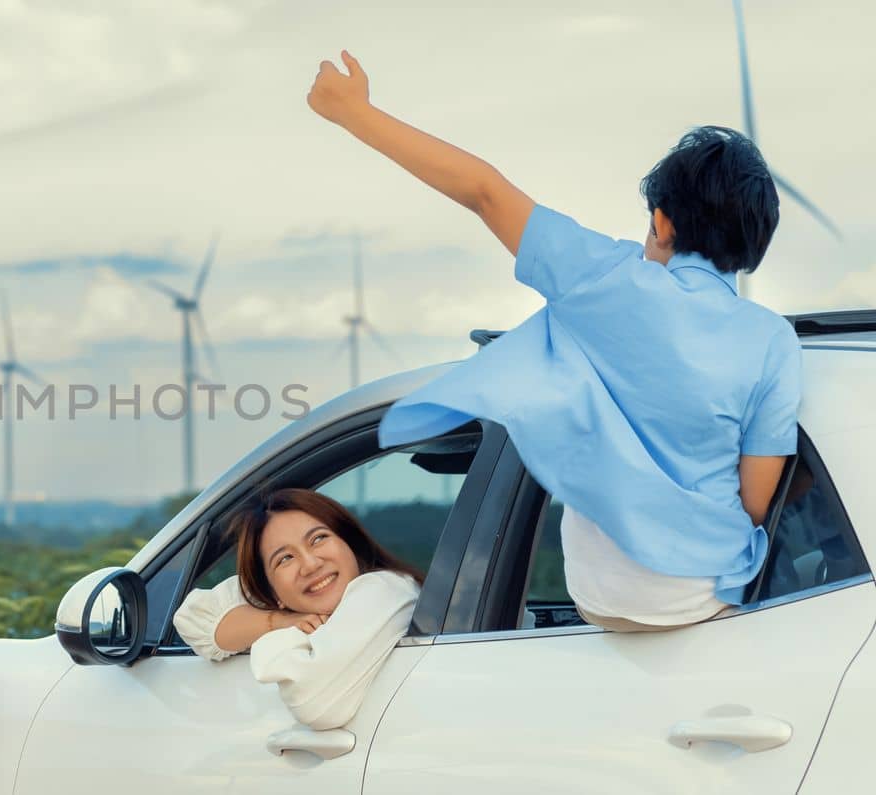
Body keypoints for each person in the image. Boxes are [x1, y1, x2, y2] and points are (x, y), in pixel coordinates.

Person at [305, 50, 801, 631]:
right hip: (703, 600)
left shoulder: (605, 277)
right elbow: (755, 504)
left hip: (602, 596)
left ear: (663, 222)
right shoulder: (774, 342)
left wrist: (354, 114)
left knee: (570, 336)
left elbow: (484, 191)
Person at [172, 489, 422, 730]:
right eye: (285, 559)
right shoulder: (297, 605)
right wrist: (282, 620)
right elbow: (193, 618)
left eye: (318, 539)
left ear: (350, 543)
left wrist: (283, 637)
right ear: (272, 593)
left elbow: (313, 702)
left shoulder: (385, 590)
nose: (310, 565)